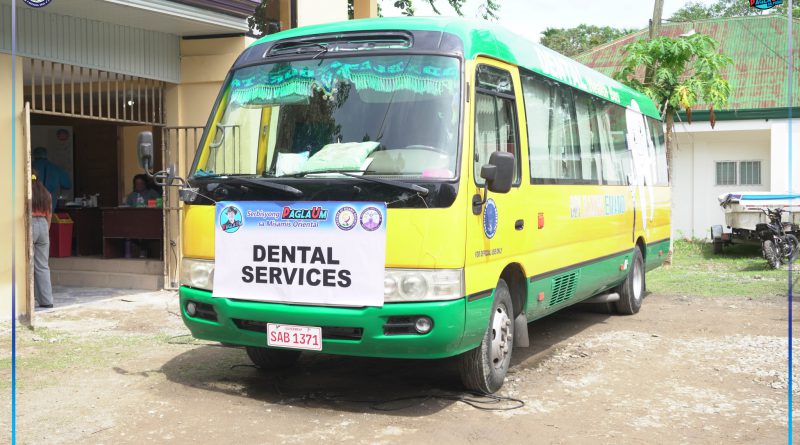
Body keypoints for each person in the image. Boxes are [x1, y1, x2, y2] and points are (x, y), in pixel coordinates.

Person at [32, 172, 54, 308]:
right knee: (42, 265)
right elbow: (49, 215)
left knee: (26, 265)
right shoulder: (46, 194)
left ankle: (27, 300)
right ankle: (47, 300)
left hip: (31, 224)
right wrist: (46, 230)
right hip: (44, 225)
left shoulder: (25, 193)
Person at [32, 146, 72, 210]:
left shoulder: (28, 168)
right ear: (46, 155)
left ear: (33, 155)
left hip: (31, 206)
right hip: (50, 206)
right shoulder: (55, 168)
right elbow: (68, 184)